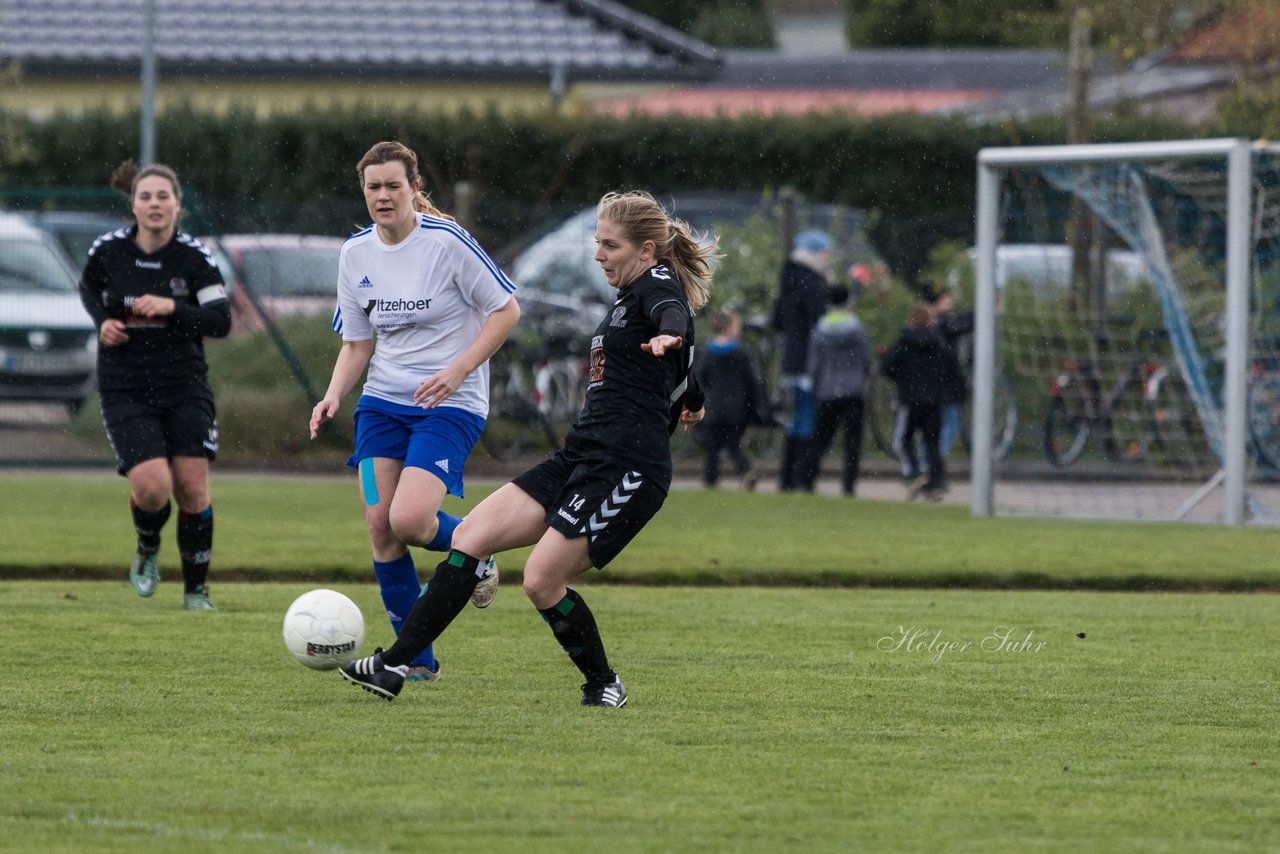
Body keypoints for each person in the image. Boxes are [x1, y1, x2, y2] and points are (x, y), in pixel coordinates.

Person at [337, 189, 711, 708]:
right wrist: (692, 397)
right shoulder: (628, 301)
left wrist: (672, 335)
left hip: (628, 470)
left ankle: (604, 683)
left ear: (647, 251)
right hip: (580, 456)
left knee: (540, 579)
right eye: (597, 242)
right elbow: (680, 363)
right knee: (472, 535)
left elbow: (674, 316)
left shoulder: (657, 284)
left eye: (610, 245)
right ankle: (393, 665)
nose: (598, 254)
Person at [310, 141, 520, 682]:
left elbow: (506, 310)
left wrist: (458, 370)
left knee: (409, 520)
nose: (383, 196)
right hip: (381, 404)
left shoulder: (446, 243)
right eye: (373, 187)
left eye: (393, 186)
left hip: (449, 405)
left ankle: (477, 548)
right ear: (363, 192)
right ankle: (417, 661)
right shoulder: (354, 254)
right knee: (381, 526)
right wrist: (333, 394)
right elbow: (357, 344)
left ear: (414, 189)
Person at [77, 160, 231, 610]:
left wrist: (171, 308)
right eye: (146, 196)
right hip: (125, 387)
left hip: (184, 386)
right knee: (151, 487)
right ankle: (148, 545)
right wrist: (103, 321)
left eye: (163, 196)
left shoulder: (195, 257)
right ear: (134, 204)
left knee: (192, 488)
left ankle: (196, 591)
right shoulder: (108, 250)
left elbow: (220, 321)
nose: (155, 204)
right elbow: (88, 290)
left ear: (178, 205)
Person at [880, 303, 963, 502]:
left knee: (902, 440)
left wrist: (903, 378)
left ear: (911, 321)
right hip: (934, 401)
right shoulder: (940, 344)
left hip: (909, 400)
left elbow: (887, 366)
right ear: (930, 322)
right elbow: (953, 369)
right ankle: (937, 482)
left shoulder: (903, 343)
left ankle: (915, 473)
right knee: (932, 442)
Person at [770, 229, 832, 491]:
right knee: (808, 418)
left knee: (796, 418)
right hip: (809, 362)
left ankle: (786, 477)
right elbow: (822, 324)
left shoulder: (788, 280)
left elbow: (777, 321)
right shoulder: (813, 283)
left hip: (791, 361)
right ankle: (802, 479)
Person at [797, 283, 870, 496]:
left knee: (820, 439)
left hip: (828, 390)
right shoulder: (857, 329)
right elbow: (865, 359)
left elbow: (814, 363)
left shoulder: (820, 329)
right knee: (853, 443)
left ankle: (807, 481)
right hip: (853, 390)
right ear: (848, 301)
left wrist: (816, 383)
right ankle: (848, 485)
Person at [694, 307, 762, 490]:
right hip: (735, 408)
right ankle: (745, 470)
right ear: (729, 327)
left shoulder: (707, 352)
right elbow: (750, 383)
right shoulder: (740, 353)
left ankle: (710, 481)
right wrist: (752, 407)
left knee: (713, 448)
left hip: (713, 407)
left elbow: (701, 379)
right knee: (733, 445)